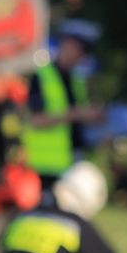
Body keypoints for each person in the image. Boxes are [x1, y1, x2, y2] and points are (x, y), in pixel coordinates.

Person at [24, 31, 100, 194]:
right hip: (41, 166)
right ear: (66, 45)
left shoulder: (76, 81)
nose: (80, 56)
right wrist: (75, 114)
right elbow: (34, 120)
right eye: (78, 50)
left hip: (68, 166)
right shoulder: (41, 76)